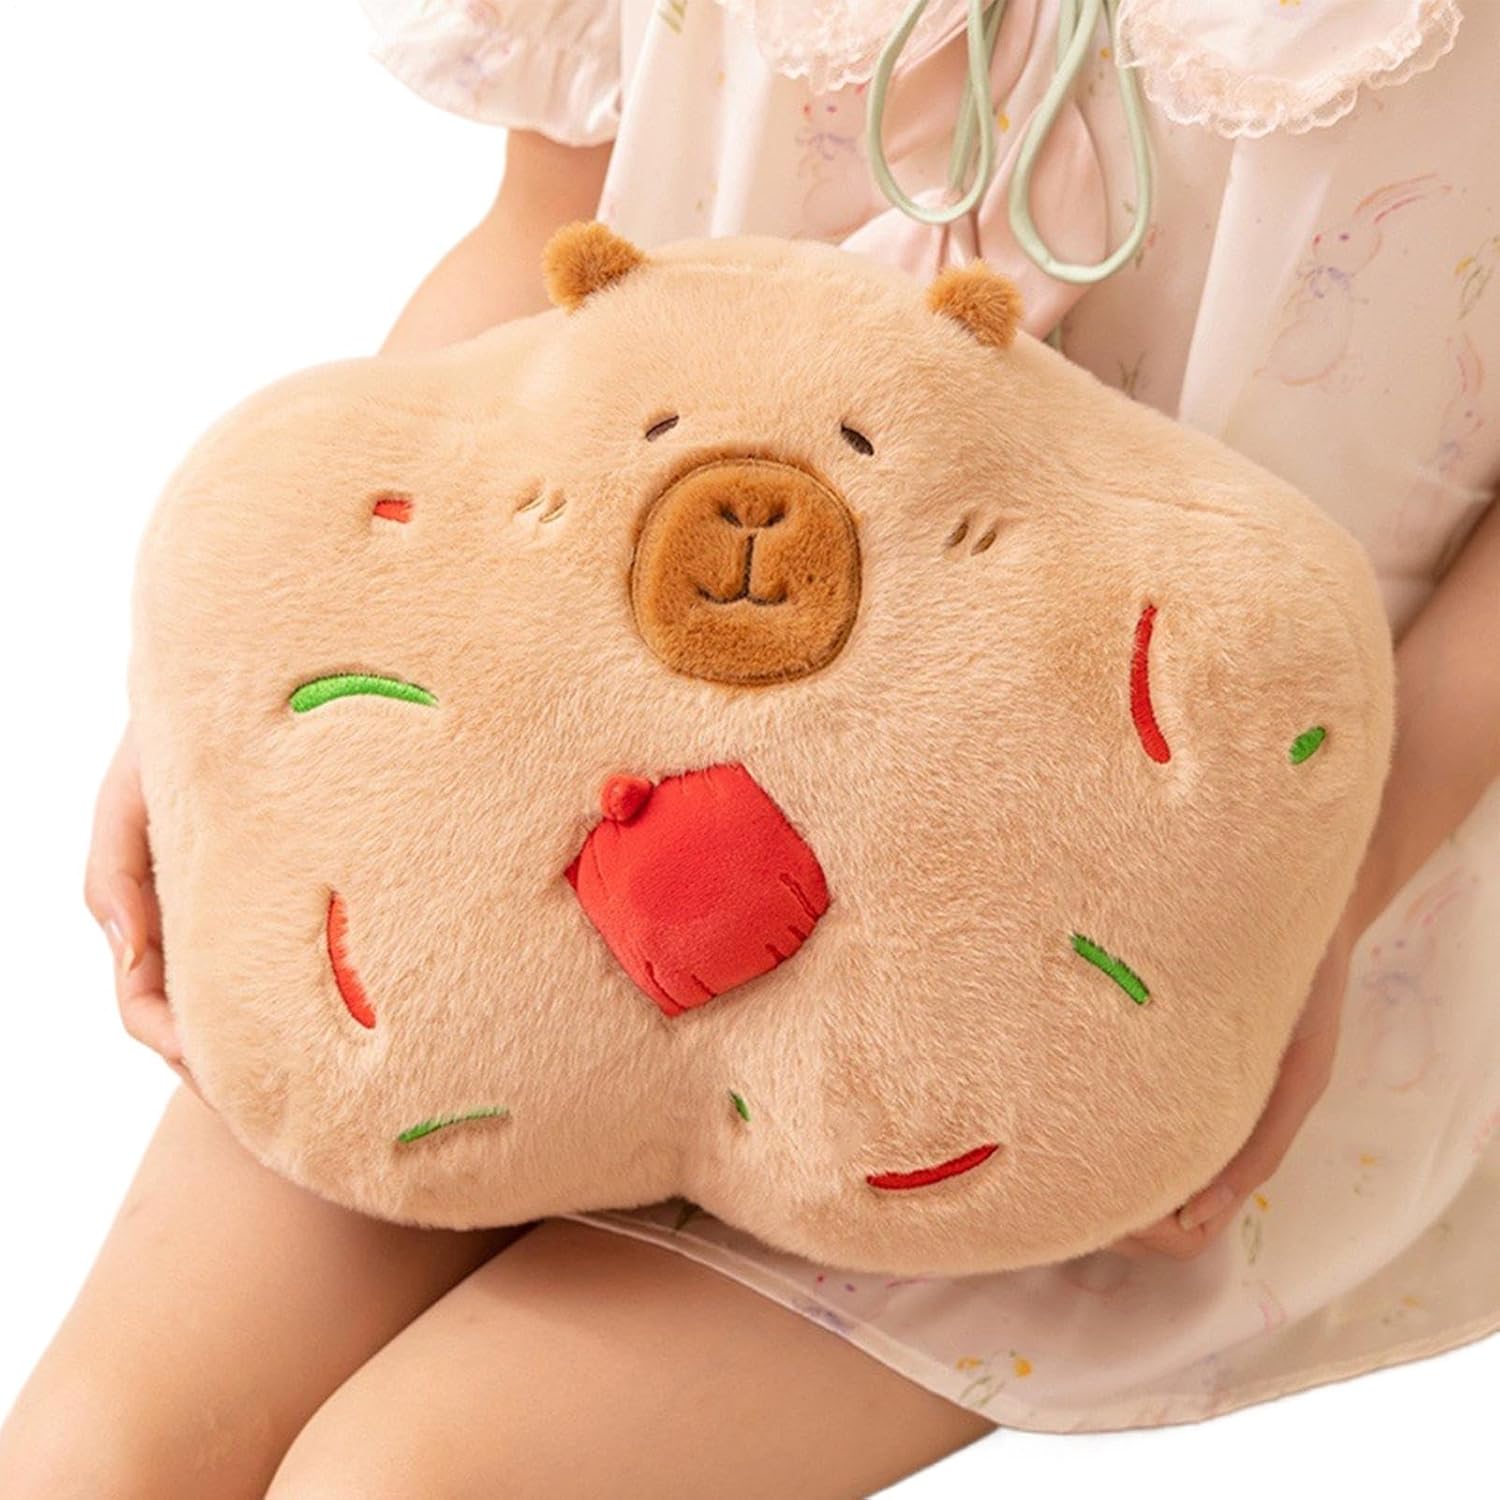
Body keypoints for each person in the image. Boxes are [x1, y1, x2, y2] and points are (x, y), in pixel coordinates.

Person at [2, 1, 1496, 1493]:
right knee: (96, 1461)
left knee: (404, 1480)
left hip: (1119, 901)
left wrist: (1329, 888)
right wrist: (252, 668)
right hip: (525, 758)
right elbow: (541, 225)